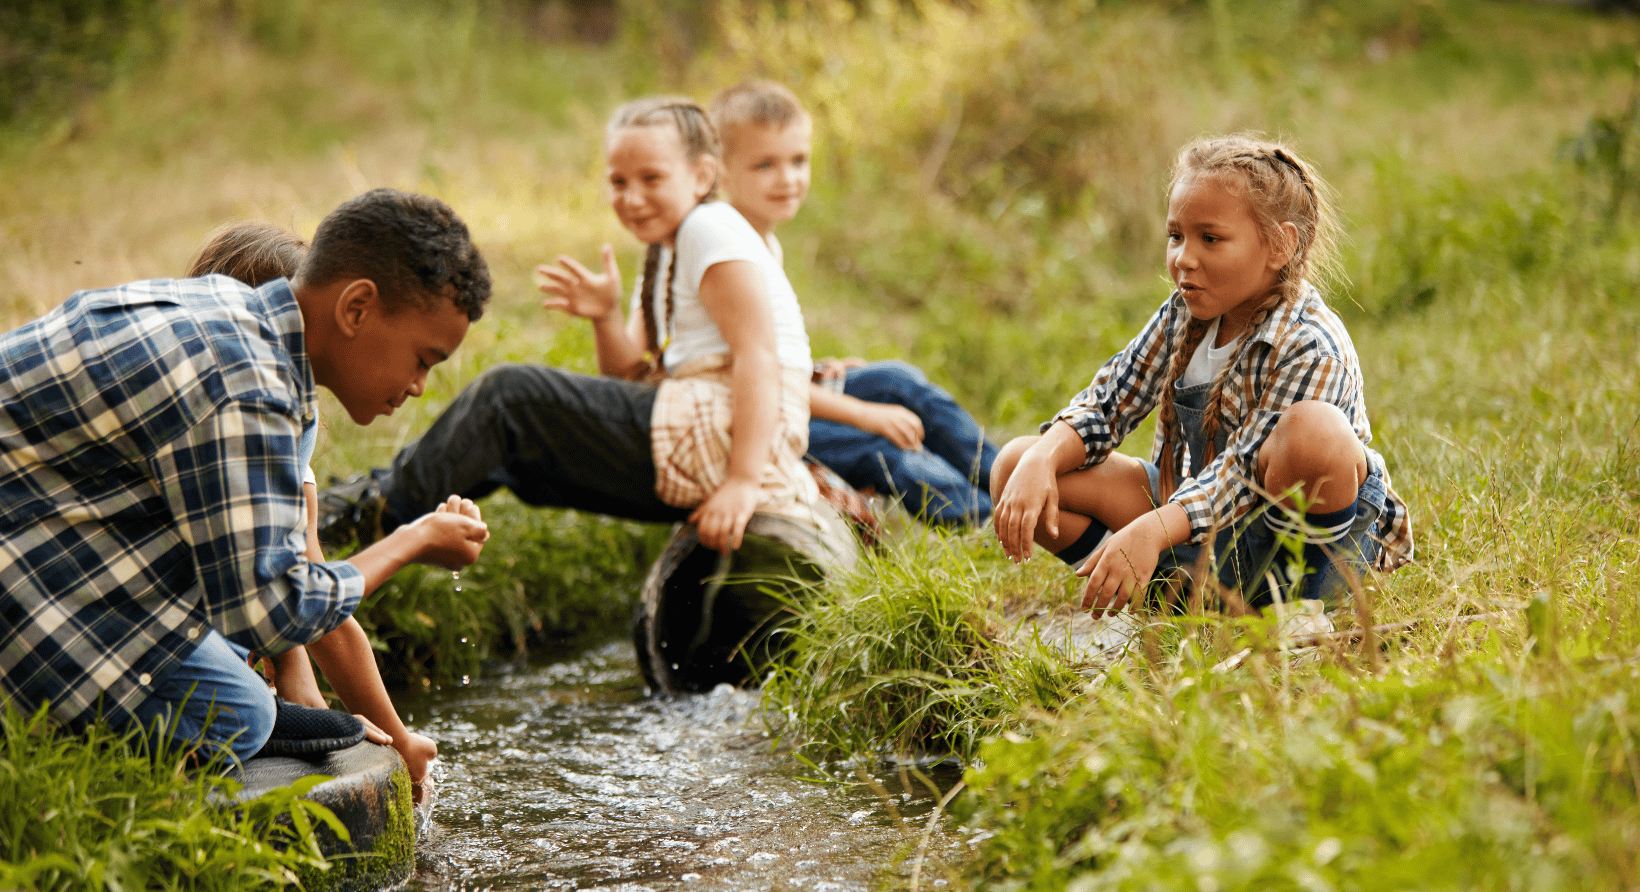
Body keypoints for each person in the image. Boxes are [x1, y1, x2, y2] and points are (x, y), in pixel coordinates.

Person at [0, 188, 493, 769]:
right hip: (20, 553)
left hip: (41, 524)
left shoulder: (234, 319)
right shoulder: (249, 386)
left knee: (215, 654)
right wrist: (414, 539)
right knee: (238, 712)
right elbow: (274, 609)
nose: (420, 386)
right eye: (423, 358)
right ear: (356, 308)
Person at [321, 96, 825, 558]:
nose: (632, 197)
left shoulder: (708, 228)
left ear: (700, 175)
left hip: (735, 438)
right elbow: (625, 381)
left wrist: (742, 481)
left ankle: (370, 511)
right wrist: (605, 317)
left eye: (652, 179)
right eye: (619, 182)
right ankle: (389, 523)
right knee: (510, 453)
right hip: (704, 432)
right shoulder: (667, 251)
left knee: (510, 398)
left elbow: (758, 354)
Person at [990, 135, 1413, 637]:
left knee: (1315, 432)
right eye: (1176, 236)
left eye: (1210, 239)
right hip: (1214, 536)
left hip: (1304, 553)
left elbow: (1238, 475)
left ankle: (1303, 615)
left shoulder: (1310, 343)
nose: (1184, 259)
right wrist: (1044, 457)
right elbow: (1109, 402)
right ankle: (1165, 597)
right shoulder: (1182, 315)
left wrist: (1151, 528)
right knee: (1016, 463)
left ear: (1281, 245)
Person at [183, 221, 440, 795]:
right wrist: (397, 737)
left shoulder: (285, 409)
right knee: (243, 710)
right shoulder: (246, 399)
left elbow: (287, 566)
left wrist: (296, 671)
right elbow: (309, 598)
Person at [708, 80, 1000, 527]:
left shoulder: (762, 238)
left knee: (897, 382)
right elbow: (751, 375)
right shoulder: (726, 249)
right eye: (764, 164)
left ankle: (1009, 479)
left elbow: (775, 356)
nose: (788, 179)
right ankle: (985, 524)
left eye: (797, 160)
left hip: (785, 393)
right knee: (879, 443)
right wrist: (865, 413)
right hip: (755, 422)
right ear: (720, 172)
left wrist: (819, 370)